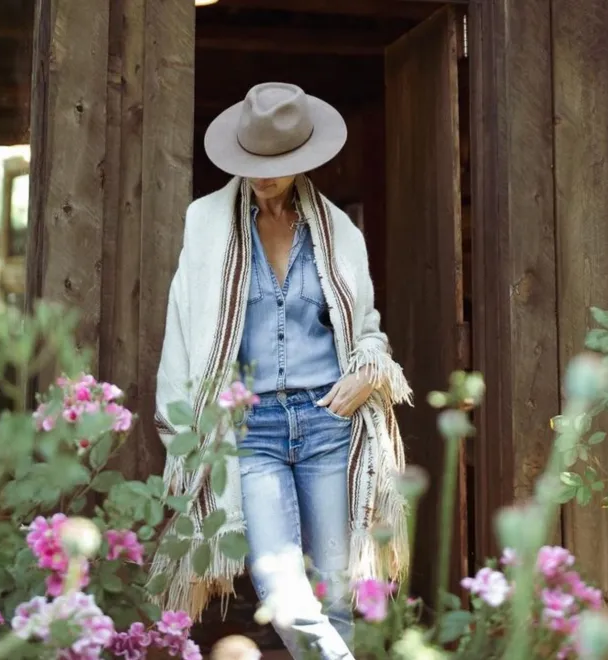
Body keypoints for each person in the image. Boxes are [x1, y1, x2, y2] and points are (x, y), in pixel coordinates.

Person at [150, 83, 412, 660]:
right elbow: (183, 326)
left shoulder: (338, 230)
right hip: (252, 428)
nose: (264, 175)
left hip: (327, 421)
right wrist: (183, 428)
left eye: (279, 164)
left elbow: (365, 327)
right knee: (281, 589)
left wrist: (370, 370)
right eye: (254, 163)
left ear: (304, 160)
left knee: (337, 595)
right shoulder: (206, 224)